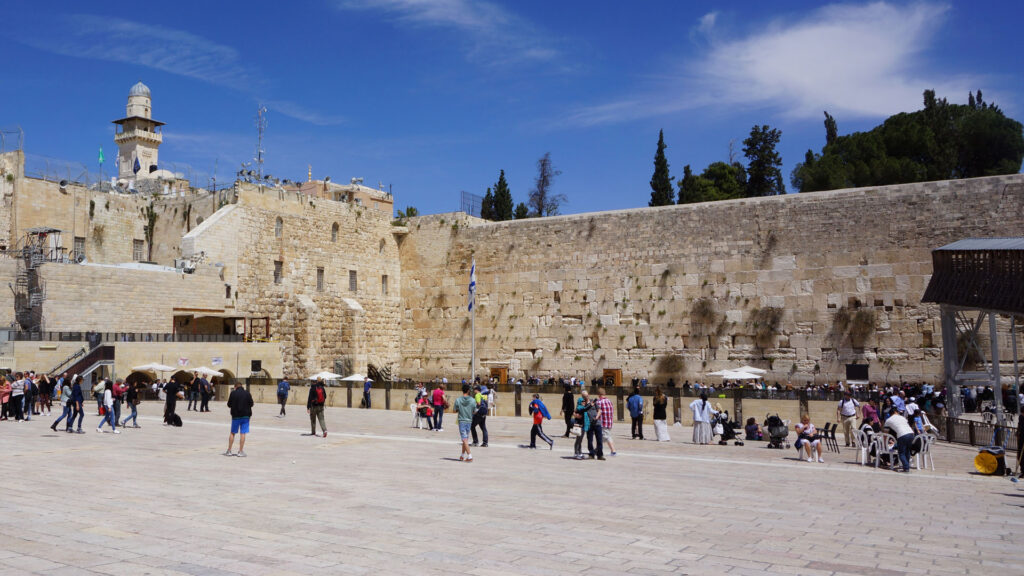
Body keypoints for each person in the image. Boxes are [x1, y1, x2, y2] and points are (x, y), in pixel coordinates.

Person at [225, 380, 254, 457]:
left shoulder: (233, 393)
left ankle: (229, 450)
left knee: (232, 433)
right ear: (242, 386)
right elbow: (251, 404)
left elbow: (229, 404)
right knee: (243, 433)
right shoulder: (247, 393)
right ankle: (240, 451)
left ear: (235, 387)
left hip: (236, 416)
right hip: (245, 416)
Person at [453, 384, 476, 462]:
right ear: (468, 390)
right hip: (469, 421)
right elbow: (475, 411)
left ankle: (470, 456)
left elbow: (454, 410)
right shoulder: (473, 400)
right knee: (465, 439)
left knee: (464, 439)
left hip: (462, 421)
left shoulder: (458, 400)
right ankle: (462, 455)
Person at [596, 388, 616, 456]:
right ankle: (597, 449)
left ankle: (613, 451)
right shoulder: (609, 401)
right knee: (602, 437)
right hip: (609, 422)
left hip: (602, 422)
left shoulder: (599, 402)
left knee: (606, 437)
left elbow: (596, 412)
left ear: (599, 394)